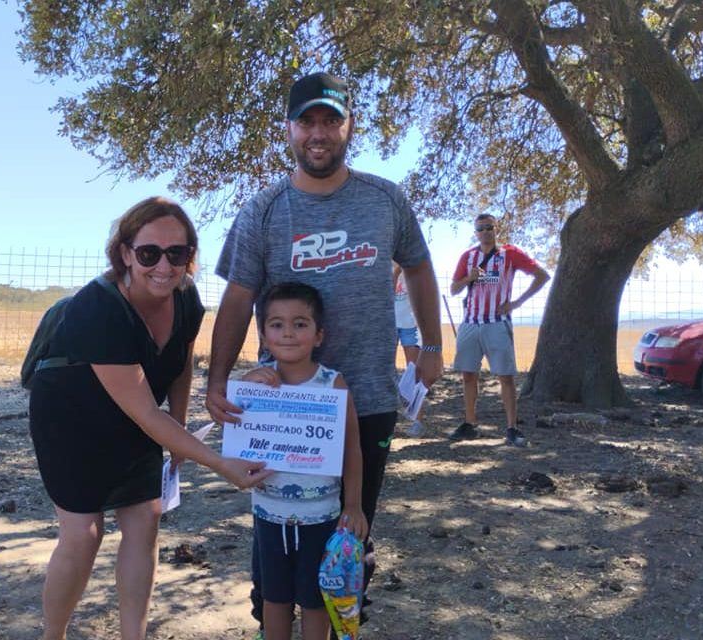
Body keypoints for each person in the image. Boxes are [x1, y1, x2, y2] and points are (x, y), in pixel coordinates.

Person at [205, 71, 444, 634]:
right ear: (288, 129)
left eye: (330, 120)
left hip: (368, 396)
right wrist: (219, 380)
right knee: (279, 525)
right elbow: (238, 298)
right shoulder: (262, 211)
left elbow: (419, 267)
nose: (319, 133)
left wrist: (430, 346)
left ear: (348, 126)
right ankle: (272, 619)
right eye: (307, 121)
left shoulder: (386, 199)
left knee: (351, 530)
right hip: (283, 409)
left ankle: (344, 623)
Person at [28, 196, 272, 640]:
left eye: (177, 254)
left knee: (146, 519)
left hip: (136, 412)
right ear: (125, 253)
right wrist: (217, 463)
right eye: (149, 253)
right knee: (84, 533)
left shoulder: (186, 297)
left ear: (189, 258)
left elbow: (179, 361)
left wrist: (178, 430)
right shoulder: (96, 310)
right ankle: (53, 634)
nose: (163, 265)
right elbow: (142, 411)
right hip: (69, 417)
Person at [238, 282, 369, 640]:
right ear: (263, 335)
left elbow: (351, 449)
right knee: (274, 597)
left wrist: (354, 505)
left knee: (315, 600)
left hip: (322, 516)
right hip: (268, 515)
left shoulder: (334, 386)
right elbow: (236, 441)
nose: (289, 333)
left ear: (319, 334)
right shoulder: (253, 385)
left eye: (300, 323)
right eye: (277, 324)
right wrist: (246, 388)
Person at [448, 213, 550, 447]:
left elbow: (542, 276)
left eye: (488, 227)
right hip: (471, 323)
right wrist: (468, 278)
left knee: (505, 376)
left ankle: (512, 427)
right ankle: (470, 423)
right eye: (480, 228)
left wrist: (517, 303)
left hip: (497, 322)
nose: (484, 232)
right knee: (468, 374)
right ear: (475, 232)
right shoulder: (468, 256)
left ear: (496, 229)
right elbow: (454, 289)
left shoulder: (509, 254)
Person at [393, 262, 426, 435]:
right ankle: (388, 418)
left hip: (410, 325)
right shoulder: (382, 261)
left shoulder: (412, 263)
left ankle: (418, 420)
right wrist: (396, 271)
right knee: (386, 371)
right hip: (388, 323)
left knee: (414, 372)